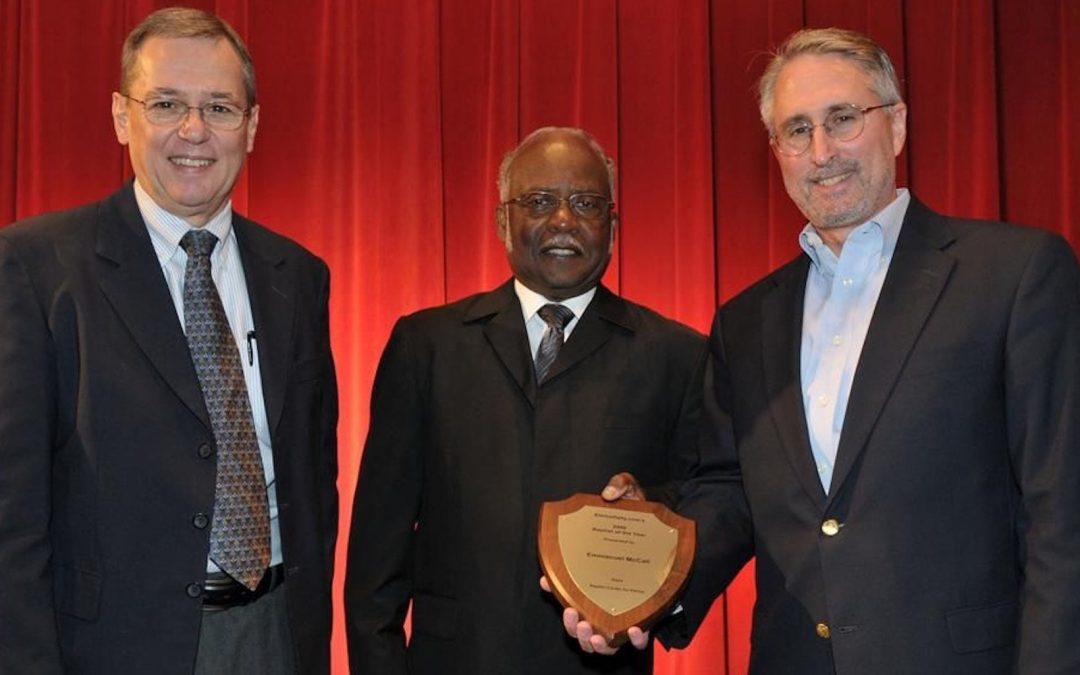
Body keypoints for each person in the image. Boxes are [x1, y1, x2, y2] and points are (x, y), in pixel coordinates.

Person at [564, 27, 1080, 674]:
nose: (822, 150)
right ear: (776, 151)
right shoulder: (745, 321)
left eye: (843, 119)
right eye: (797, 130)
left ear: (895, 125)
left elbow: (1062, 512)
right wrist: (635, 593)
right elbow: (729, 493)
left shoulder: (1014, 275)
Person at [0, 8, 338, 674]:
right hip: (114, 647)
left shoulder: (298, 276)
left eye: (219, 106)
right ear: (122, 117)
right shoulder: (37, 268)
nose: (194, 131)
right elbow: (12, 518)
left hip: (277, 634)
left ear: (253, 125)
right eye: (166, 104)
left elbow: (313, 480)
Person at [345, 126, 706, 674]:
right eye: (539, 202)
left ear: (612, 225)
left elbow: (703, 502)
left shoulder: (678, 355)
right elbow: (378, 549)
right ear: (502, 221)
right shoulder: (427, 345)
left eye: (585, 203)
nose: (563, 220)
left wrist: (647, 506)